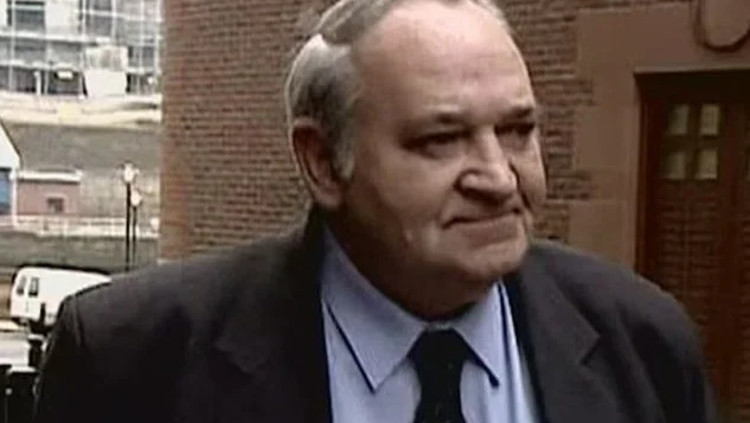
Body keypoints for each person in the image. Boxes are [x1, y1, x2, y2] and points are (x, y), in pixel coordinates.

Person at [33, 0, 717, 422]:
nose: (498, 176)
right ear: (323, 161)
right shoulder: (133, 359)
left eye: (517, 130)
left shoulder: (643, 342)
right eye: (440, 139)